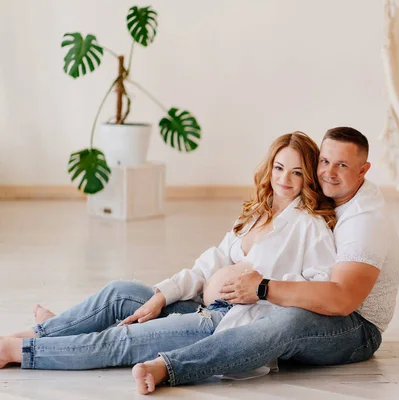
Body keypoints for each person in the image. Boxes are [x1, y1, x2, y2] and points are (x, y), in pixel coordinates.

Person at [0, 132, 338, 371]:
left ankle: (20, 349)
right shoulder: (255, 213)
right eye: (279, 168)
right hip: (201, 302)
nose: (285, 179)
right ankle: (47, 330)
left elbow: (318, 292)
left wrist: (262, 287)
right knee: (122, 292)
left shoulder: (311, 226)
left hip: (225, 323)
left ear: (308, 177)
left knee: (122, 340)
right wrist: (162, 296)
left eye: (296, 172)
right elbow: (208, 263)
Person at [131, 126, 399, 395]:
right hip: (295, 304)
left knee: (289, 321)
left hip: (357, 328)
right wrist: (168, 292)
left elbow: (343, 300)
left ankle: (171, 367)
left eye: (341, 165)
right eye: (324, 161)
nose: (329, 173)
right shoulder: (298, 205)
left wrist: (262, 288)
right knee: (133, 296)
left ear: (363, 170)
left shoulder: (364, 221)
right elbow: (222, 254)